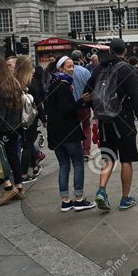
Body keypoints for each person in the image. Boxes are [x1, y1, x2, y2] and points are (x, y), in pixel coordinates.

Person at [84, 38, 138, 211]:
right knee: (126, 159)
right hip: (123, 119)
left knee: (108, 157)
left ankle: (102, 190)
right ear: (124, 51)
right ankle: (125, 198)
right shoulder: (128, 69)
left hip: (104, 121)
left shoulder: (99, 68)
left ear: (109, 50)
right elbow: (137, 98)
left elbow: (87, 93)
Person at [46, 56, 95, 212]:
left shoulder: (53, 85)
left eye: (72, 65)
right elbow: (66, 109)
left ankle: (65, 201)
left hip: (55, 132)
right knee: (78, 163)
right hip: (68, 131)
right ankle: (79, 199)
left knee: (64, 165)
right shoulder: (63, 86)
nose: (72, 69)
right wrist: (81, 100)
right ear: (60, 69)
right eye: (68, 66)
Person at [0, 57, 24, 206]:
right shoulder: (14, 84)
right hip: (14, 128)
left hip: (2, 129)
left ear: (0, 69)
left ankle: (8, 187)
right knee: (13, 156)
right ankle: (19, 187)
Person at [14, 56, 46, 183]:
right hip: (30, 117)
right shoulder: (31, 81)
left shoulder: (14, 81)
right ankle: (23, 174)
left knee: (27, 142)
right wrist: (44, 118)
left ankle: (35, 165)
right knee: (28, 144)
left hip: (17, 118)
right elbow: (38, 102)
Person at [71, 50, 92, 159]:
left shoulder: (67, 72)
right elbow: (91, 87)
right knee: (86, 127)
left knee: (75, 128)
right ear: (81, 58)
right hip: (84, 104)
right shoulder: (85, 71)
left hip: (72, 105)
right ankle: (86, 151)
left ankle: (77, 151)